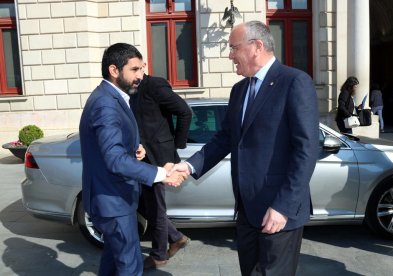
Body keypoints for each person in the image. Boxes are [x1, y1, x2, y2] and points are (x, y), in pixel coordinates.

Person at [172, 21, 319, 276]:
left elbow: (306, 150)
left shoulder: (294, 82)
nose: (230, 55)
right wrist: (188, 165)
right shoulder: (239, 90)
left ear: (256, 47)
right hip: (247, 210)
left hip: (278, 210)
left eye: (233, 48)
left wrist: (283, 206)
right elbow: (225, 138)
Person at [79, 43, 186, 276]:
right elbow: (114, 160)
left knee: (112, 262)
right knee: (131, 267)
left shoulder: (111, 97)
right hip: (113, 203)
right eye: (135, 70)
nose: (141, 75)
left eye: (142, 69)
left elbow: (111, 148)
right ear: (114, 70)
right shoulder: (106, 103)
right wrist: (161, 173)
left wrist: (132, 148)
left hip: (114, 200)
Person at [129, 70, 192, 269]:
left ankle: (158, 255)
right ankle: (176, 237)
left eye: (137, 68)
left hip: (160, 158)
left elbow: (184, 111)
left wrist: (177, 146)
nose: (135, 73)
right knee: (142, 204)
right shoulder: (132, 91)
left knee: (155, 207)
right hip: (142, 159)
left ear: (143, 67)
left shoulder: (154, 85)